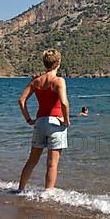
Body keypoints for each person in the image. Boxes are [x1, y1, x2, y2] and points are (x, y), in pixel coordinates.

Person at [18, 49, 70, 191]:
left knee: (32, 161)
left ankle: (20, 189)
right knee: (52, 164)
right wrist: (66, 121)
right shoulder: (59, 81)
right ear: (58, 63)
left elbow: (21, 101)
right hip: (55, 123)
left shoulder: (36, 81)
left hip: (40, 123)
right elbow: (64, 103)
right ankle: (47, 193)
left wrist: (28, 119)